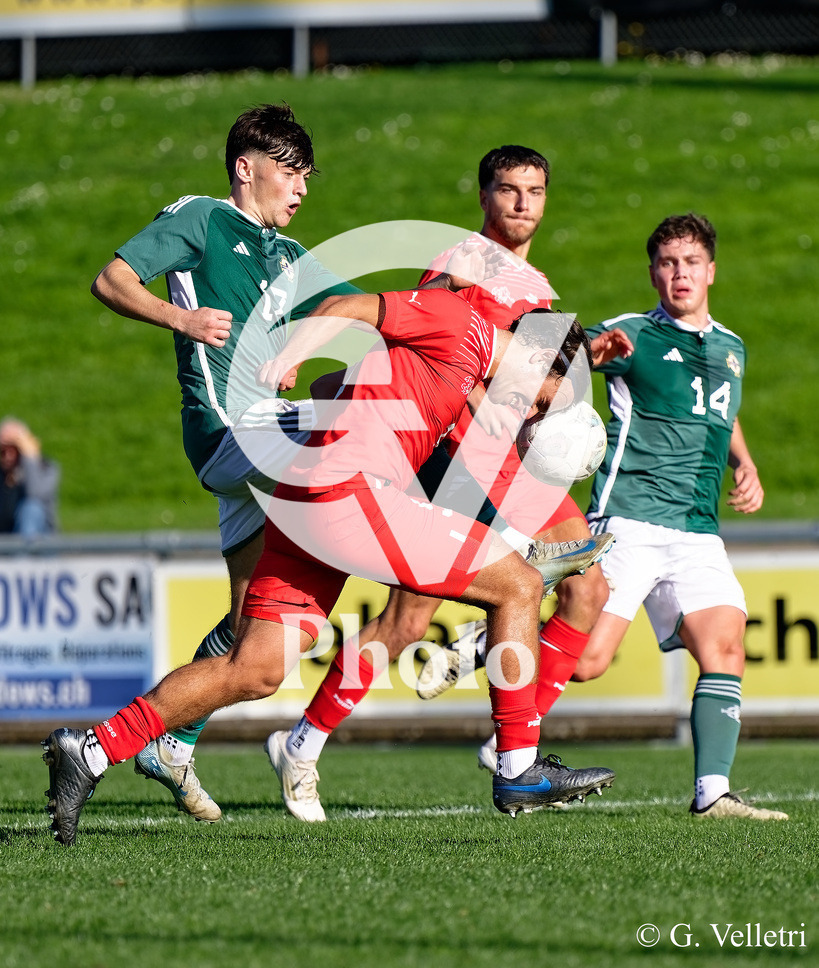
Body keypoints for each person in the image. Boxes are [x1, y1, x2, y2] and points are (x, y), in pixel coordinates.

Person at [42, 286, 617, 846]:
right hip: (347, 491)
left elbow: (329, 384)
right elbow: (347, 307)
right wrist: (292, 352)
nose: (529, 413)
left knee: (256, 668)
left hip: (306, 495)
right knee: (518, 583)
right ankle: (518, 768)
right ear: (539, 357)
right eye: (540, 401)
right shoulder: (459, 322)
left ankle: (90, 751)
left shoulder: (462, 373)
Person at [264, 146, 630, 822]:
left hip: (508, 459)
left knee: (587, 584)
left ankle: (509, 746)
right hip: (455, 455)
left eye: (535, 190)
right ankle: (302, 742)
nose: (522, 202)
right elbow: (419, 341)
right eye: (508, 189)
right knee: (405, 621)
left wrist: (587, 353)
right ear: (483, 195)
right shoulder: (465, 263)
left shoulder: (536, 284)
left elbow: (533, 367)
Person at [90, 103, 361, 822]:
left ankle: (170, 743)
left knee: (250, 635)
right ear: (247, 169)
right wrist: (181, 320)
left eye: (308, 175)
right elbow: (111, 279)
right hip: (227, 432)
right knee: (358, 445)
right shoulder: (202, 218)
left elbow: (358, 311)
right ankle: (455, 556)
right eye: (290, 172)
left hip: (258, 443)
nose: (301, 187)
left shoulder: (288, 253)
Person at [572, 212, 787, 822]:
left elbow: (720, 411)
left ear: (711, 271)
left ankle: (712, 793)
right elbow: (569, 353)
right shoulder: (632, 334)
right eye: (668, 263)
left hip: (695, 528)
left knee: (725, 644)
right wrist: (590, 353)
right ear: (653, 273)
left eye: (691, 262)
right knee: (587, 662)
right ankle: (495, 646)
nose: (680, 273)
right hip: (629, 519)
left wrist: (745, 463)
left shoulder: (731, 348)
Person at [0, 418, 60, 536]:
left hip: (41, 543)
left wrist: (30, 459)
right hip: (5, 543)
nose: (8, 456)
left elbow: (34, 494)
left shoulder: (45, 468)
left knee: (31, 508)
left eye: (14, 449)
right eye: (2, 451)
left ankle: (24, 554)